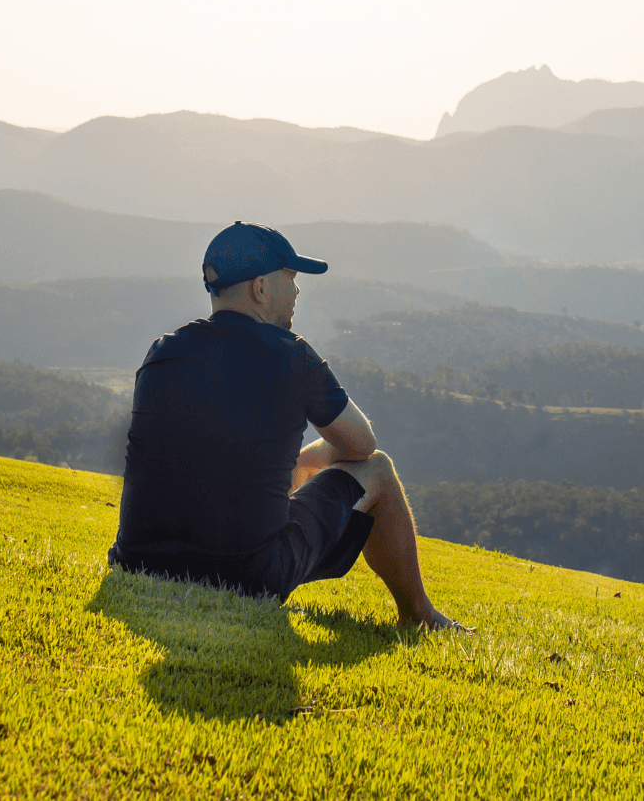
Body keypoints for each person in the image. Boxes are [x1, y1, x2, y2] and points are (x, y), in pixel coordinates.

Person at [108, 221, 468, 631]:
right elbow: (361, 446)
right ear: (261, 288)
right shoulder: (292, 357)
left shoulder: (161, 353)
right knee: (379, 470)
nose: (297, 292)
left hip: (136, 564)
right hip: (247, 577)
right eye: (291, 279)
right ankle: (419, 615)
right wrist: (307, 460)